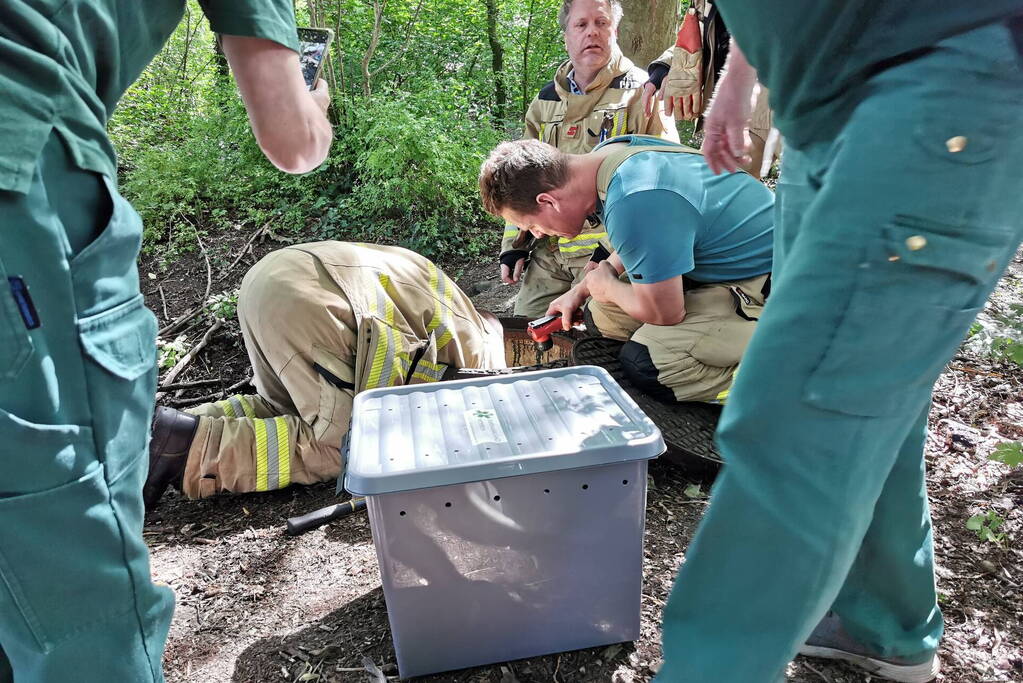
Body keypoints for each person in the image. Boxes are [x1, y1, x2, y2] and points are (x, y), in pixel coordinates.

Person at [652, 3, 1023, 682]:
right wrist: (740, 73)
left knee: (799, 416)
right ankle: (884, 623)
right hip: (815, 121)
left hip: (938, 81)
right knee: (875, 398)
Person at [0, 2, 332, 681]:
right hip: (22, 171)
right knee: (82, 605)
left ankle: (173, 440)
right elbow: (290, 137)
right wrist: (314, 104)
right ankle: (173, 445)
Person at [144, 242, 506, 508]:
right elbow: (443, 413)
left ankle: (157, 433)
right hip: (314, 303)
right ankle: (187, 449)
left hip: (272, 280)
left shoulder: (447, 300)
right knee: (349, 446)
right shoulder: (480, 351)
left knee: (285, 407)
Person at [479, 135, 773, 404]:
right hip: (731, 265)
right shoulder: (611, 157)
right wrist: (581, 289)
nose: (538, 234)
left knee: (649, 364)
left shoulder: (636, 198)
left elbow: (666, 313)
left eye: (532, 225)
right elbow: (652, 234)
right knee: (601, 313)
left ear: (548, 201)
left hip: (778, 283)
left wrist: (608, 287)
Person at [500, 0, 678, 318]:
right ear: (566, 35)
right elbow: (518, 181)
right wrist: (514, 246)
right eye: (581, 25)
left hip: (611, 252)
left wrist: (613, 253)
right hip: (551, 252)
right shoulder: (545, 102)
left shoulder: (641, 92)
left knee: (599, 338)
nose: (592, 32)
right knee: (528, 327)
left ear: (616, 31)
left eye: (602, 23)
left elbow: (664, 179)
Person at [642, 1, 777, 179]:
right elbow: (702, 36)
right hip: (725, 110)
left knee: (714, 184)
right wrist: (665, 68)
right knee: (705, 184)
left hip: (767, 110)